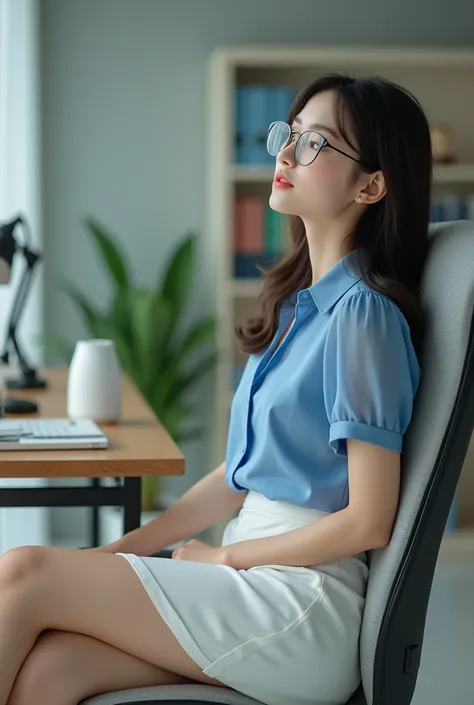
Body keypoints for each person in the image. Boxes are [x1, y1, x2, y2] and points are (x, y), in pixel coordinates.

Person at [0, 72, 431, 705]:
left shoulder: (363, 315)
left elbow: (369, 519)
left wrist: (228, 560)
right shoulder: (298, 308)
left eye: (315, 144)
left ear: (371, 184)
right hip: (252, 577)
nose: (284, 154)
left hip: (299, 604)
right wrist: (120, 552)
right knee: (50, 672)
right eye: (289, 134)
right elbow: (238, 477)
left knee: (24, 570)